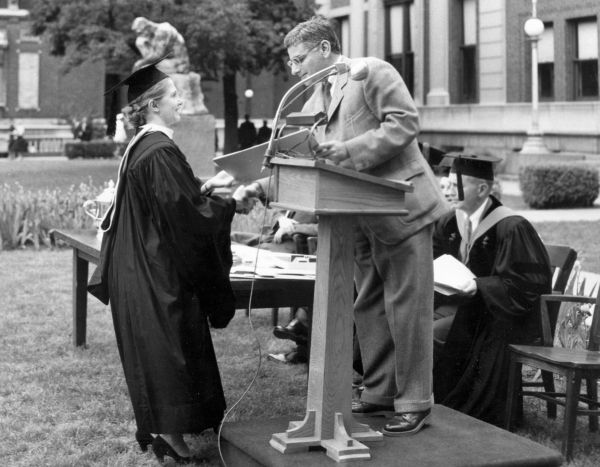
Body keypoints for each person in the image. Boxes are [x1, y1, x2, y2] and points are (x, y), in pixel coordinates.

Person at [277, 16, 449, 436]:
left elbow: (405, 122)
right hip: (358, 217)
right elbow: (303, 148)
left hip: (401, 209)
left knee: (408, 309)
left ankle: (415, 402)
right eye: (290, 62)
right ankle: (378, 391)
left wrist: (348, 151)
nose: (295, 69)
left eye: (299, 59)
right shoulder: (319, 95)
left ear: (324, 49)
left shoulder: (370, 71)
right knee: (368, 305)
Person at [87, 55, 254, 464]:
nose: (182, 101)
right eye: (176, 95)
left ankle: (169, 431)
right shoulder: (158, 149)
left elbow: (172, 200)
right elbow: (186, 219)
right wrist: (229, 204)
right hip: (153, 273)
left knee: (164, 352)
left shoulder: (144, 145)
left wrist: (204, 188)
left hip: (139, 266)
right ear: (155, 105)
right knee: (169, 353)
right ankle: (168, 434)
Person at [432, 154, 552, 427]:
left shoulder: (511, 226)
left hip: (501, 313)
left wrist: (478, 287)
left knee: (430, 333)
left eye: (456, 184)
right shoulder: (450, 223)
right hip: (463, 306)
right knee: (408, 322)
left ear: (483, 189)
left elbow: (526, 289)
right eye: (446, 184)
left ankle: (445, 401)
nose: (448, 190)